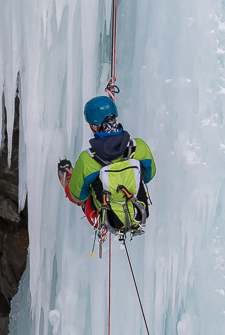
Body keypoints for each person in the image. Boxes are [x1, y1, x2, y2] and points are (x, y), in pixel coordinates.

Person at [58, 96, 156, 234]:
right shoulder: (139, 146)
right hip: (139, 213)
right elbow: (148, 177)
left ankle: (71, 181)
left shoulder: (87, 160)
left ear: (95, 126)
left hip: (108, 218)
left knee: (80, 195)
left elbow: (77, 196)